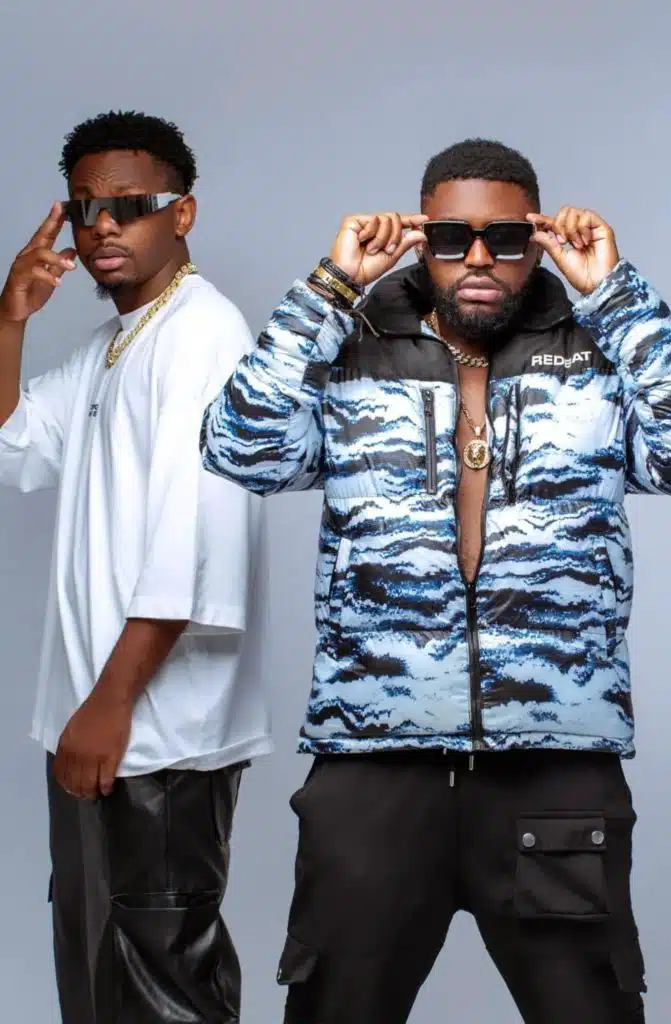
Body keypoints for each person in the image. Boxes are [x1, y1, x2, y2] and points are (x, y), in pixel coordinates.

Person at [201, 137, 671, 1022]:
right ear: (421, 239)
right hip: (374, 764)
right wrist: (328, 290)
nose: (480, 258)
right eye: (453, 237)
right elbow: (241, 450)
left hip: (556, 765)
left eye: (506, 237)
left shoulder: (600, 352)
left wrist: (614, 294)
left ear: (539, 240)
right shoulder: (349, 349)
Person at [0, 110, 271, 1024]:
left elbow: (190, 542)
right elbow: (11, 446)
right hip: (96, 726)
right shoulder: (110, 345)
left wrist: (111, 703)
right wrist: (9, 319)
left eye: (131, 205)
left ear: (182, 213)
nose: (104, 225)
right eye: (85, 208)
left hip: (156, 735)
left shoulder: (205, 336)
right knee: (98, 983)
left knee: (163, 991)